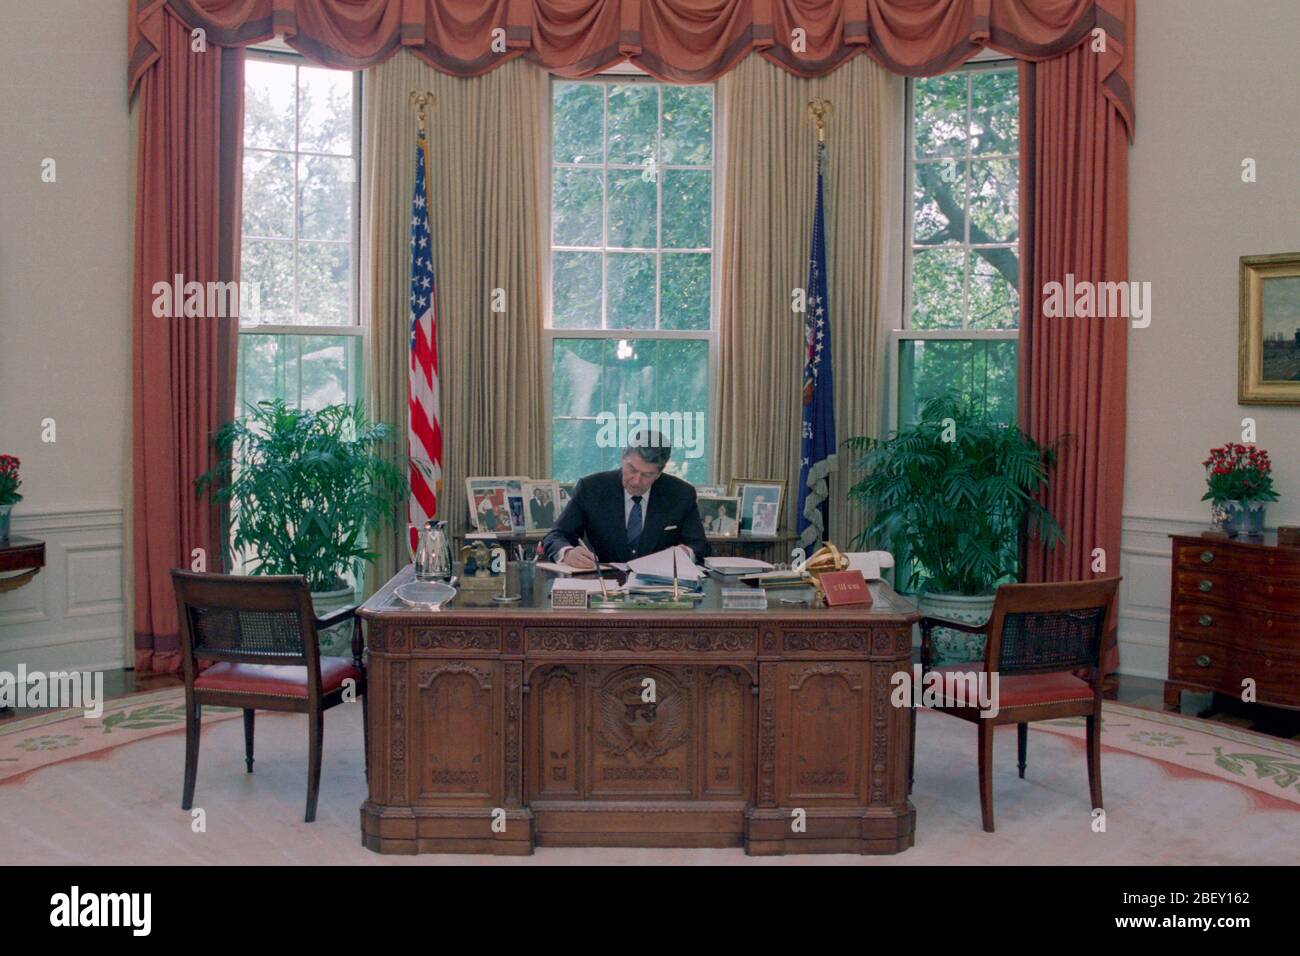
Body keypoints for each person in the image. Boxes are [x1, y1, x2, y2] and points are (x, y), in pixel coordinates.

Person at [542, 431, 710, 568]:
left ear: (659, 472)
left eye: (647, 475)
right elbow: (556, 536)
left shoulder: (681, 494)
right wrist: (567, 553)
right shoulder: (591, 488)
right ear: (623, 458)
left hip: (661, 591)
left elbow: (700, 545)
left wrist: (686, 552)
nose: (636, 481)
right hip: (604, 587)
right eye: (632, 469)